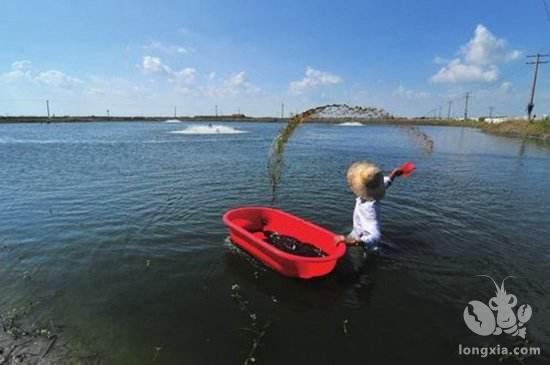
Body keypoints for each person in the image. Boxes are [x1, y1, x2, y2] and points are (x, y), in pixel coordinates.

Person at [335, 161, 403, 254]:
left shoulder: (370, 209)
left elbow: (375, 235)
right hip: (356, 234)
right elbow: (384, 184)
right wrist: (393, 174)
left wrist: (353, 242)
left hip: (364, 245)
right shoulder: (371, 193)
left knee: (357, 263)